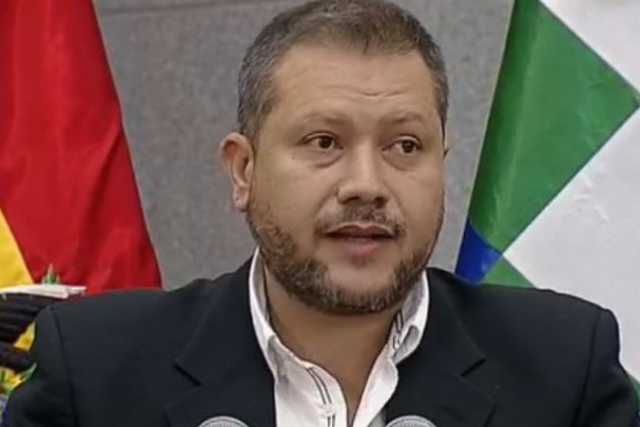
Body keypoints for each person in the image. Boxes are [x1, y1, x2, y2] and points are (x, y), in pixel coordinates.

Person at [4, 0, 638, 426]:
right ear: (243, 170)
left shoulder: (561, 368)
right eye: (324, 142)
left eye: (404, 146)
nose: (366, 185)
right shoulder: (99, 371)